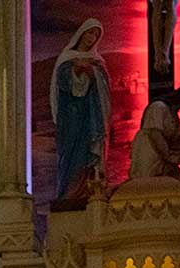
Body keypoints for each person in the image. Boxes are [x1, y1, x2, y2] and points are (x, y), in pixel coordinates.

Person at [51, 19, 112, 199]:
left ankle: (91, 191)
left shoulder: (98, 60)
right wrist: (77, 70)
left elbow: (105, 88)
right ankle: (70, 193)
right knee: (73, 154)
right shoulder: (67, 58)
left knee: (90, 153)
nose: (92, 38)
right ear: (81, 33)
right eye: (90, 32)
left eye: (96, 35)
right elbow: (62, 84)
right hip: (72, 117)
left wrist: (94, 72)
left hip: (93, 116)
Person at [129, 84, 180, 181]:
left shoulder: (172, 112)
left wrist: (175, 155)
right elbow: (155, 134)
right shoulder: (158, 107)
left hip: (163, 153)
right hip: (149, 150)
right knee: (148, 182)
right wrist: (168, 157)